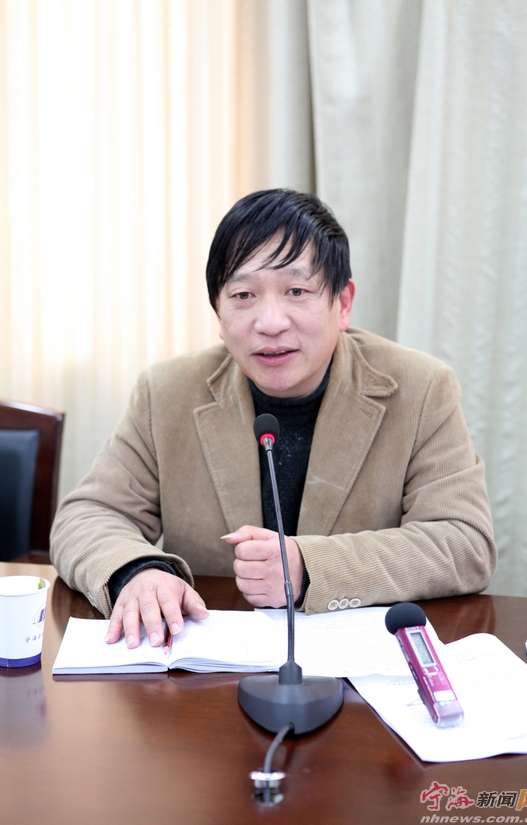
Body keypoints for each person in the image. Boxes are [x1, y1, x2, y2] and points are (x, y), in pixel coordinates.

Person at [50, 189, 497, 650]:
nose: (270, 322)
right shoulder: (166, 393)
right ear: (219, 313)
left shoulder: (420, 388)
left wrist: (311, 567)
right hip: (207, 667)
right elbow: (88, 515)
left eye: (296, 292)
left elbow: (464, 542)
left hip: (359, 664)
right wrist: (137, 570)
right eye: (243, 295)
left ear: (343, 303)